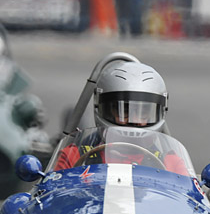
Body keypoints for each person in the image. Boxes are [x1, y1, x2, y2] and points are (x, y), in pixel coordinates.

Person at [54, 61, 189, 175]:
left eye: (143, 113)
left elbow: (189, 198)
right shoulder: (75, 154)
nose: (134, 120)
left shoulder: (170, 161)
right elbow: (51, 192)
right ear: (104, 108)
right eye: (124, 111)